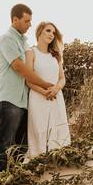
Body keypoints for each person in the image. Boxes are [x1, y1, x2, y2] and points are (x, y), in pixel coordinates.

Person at [0, 4, 54, 174]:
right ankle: (2, 178)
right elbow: (19, 67)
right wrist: (43, 83)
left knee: (22, 143)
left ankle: (15, 173)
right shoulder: (6, 39)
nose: (29, 25)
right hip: (9, 99)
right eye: (26, 21)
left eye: (30, 21)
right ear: (15, 20)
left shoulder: (24, 42)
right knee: (6, 141)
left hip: (23, 101)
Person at [25, 22, 71, 156]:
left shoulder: (56, 55)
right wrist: (44, 91)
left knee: (58, 132)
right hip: (38, 98)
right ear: (39, 32)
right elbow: (28, 80)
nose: (51, 34)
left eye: (53, 32)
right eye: (48, 31)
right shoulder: (31, 52)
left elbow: (62, 78)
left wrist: (56, 88)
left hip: (56, 98)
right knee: (40, 131)